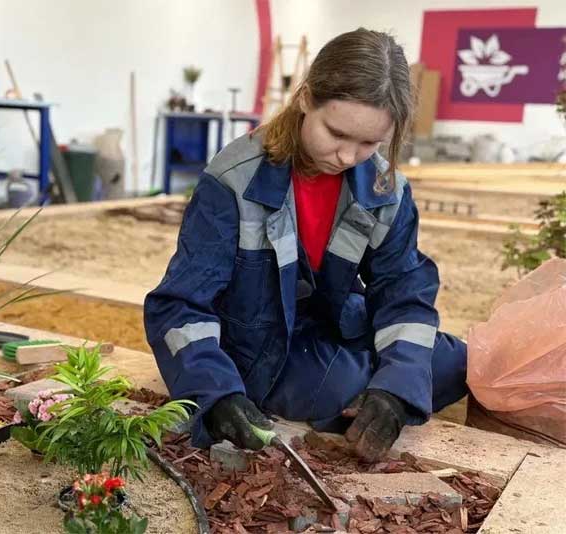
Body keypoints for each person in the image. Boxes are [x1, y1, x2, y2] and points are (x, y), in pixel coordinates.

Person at [143, 28, 467, 462]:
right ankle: (342, 394)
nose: (348, 157)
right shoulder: (233, 181)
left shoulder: (384, 187)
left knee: (454, 360)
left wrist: (394, 391)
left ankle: (373, 394)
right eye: (336, 133)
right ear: (304, 98)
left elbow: (404, 295)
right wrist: (215, 391)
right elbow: (179, 306)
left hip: (330, 329)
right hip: (258, 351)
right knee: (340, 384)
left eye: (369, 142)